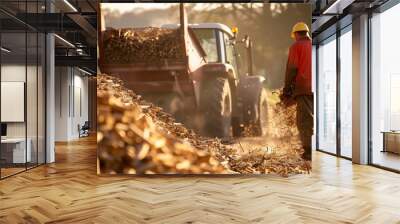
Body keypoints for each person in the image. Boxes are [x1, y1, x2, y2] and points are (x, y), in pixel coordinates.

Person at [282, 22, 313, 161]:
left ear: (295, 34)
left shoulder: (296, 46)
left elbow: (292, 69)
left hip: (304, 88)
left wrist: (286, 90)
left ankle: (308, 151)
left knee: (304, 120)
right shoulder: (313, 45)